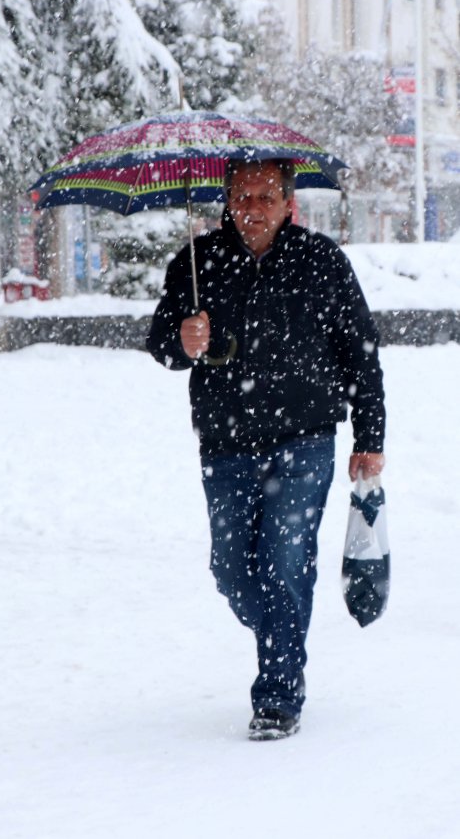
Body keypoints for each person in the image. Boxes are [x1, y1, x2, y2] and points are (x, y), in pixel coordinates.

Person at [147, 159, 385, 741]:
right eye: (241, 197)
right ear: (227, 201)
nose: (251, 208)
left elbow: (360, 349)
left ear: (287, 204)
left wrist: (370, 436)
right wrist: (183, 338)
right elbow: (160, 341)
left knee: (285, 558)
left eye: (263, 197)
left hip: (304, 440)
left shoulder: (322, 261)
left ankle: (278, 695)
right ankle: (282, 632)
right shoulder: (197, 263)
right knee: (230, 570)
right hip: (226, 444)